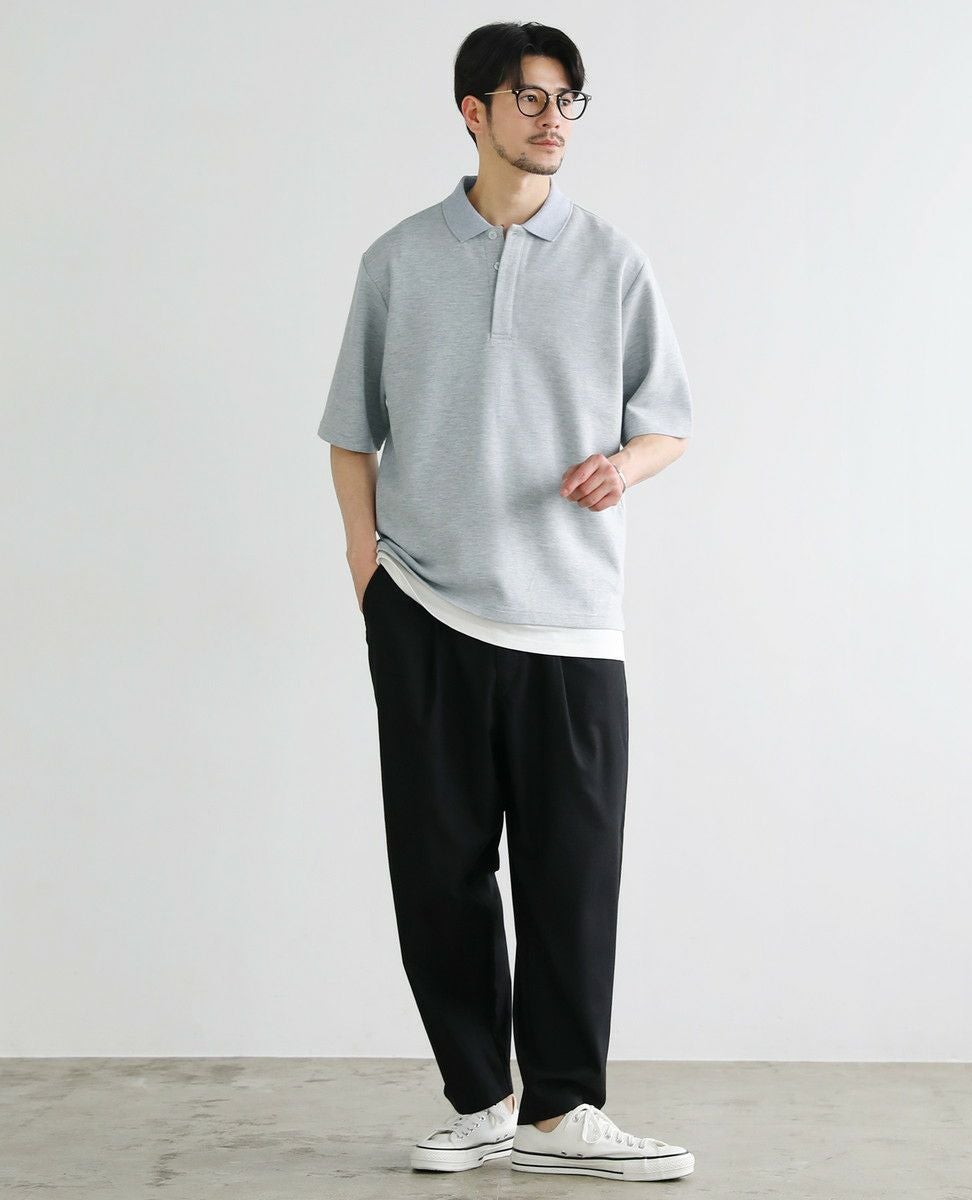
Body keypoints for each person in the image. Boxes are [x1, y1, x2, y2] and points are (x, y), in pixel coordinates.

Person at [317, 20, 695, 1183]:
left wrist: (621, 468)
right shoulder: (396, 261)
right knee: (437, 873)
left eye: (566, 99)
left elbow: (667, 424)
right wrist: (369, 573)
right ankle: (480, 1100)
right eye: (529, 97)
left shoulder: (612, 262)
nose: (552, 118)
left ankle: (562, 1112)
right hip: (424, 609)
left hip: (571, 619)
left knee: (571, 875)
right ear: (472, 112)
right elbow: (350, 433)